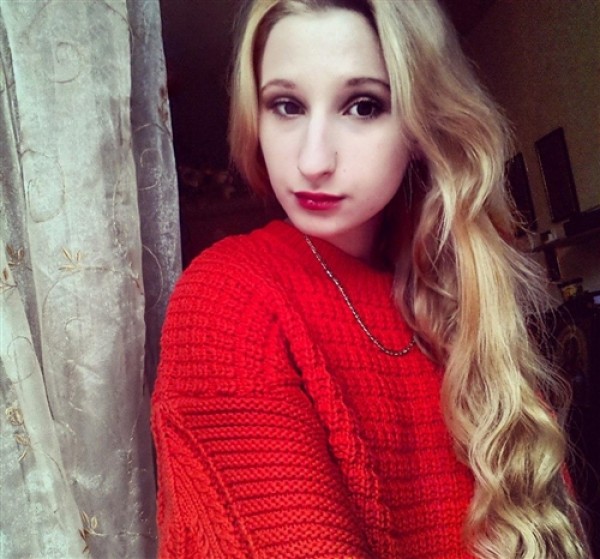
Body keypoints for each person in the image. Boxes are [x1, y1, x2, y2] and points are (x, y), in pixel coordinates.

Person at [151, 0, 591, 557]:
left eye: (363, 106)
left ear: (421, 124)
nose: (313, 160)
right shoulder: (229, 298)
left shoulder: (465, 303)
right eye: (286, 105)